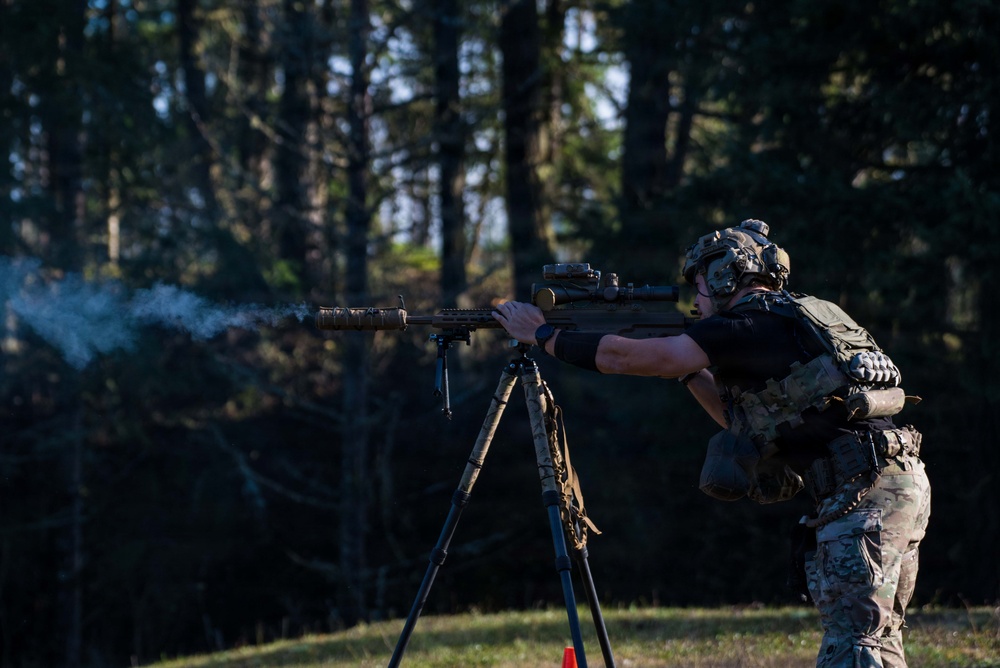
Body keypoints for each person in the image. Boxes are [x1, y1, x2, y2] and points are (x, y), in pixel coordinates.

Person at [492, 219, 931, 668]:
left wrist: (543, 336)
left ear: (724, 274)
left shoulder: (745, 323)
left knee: (855, 646)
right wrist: (688, 374)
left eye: (698, 284)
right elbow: (749, 424)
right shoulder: (797, 316)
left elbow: (630, 357)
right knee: (875, 639)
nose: (697, 300)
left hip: (864, 495)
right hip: (893, 482)